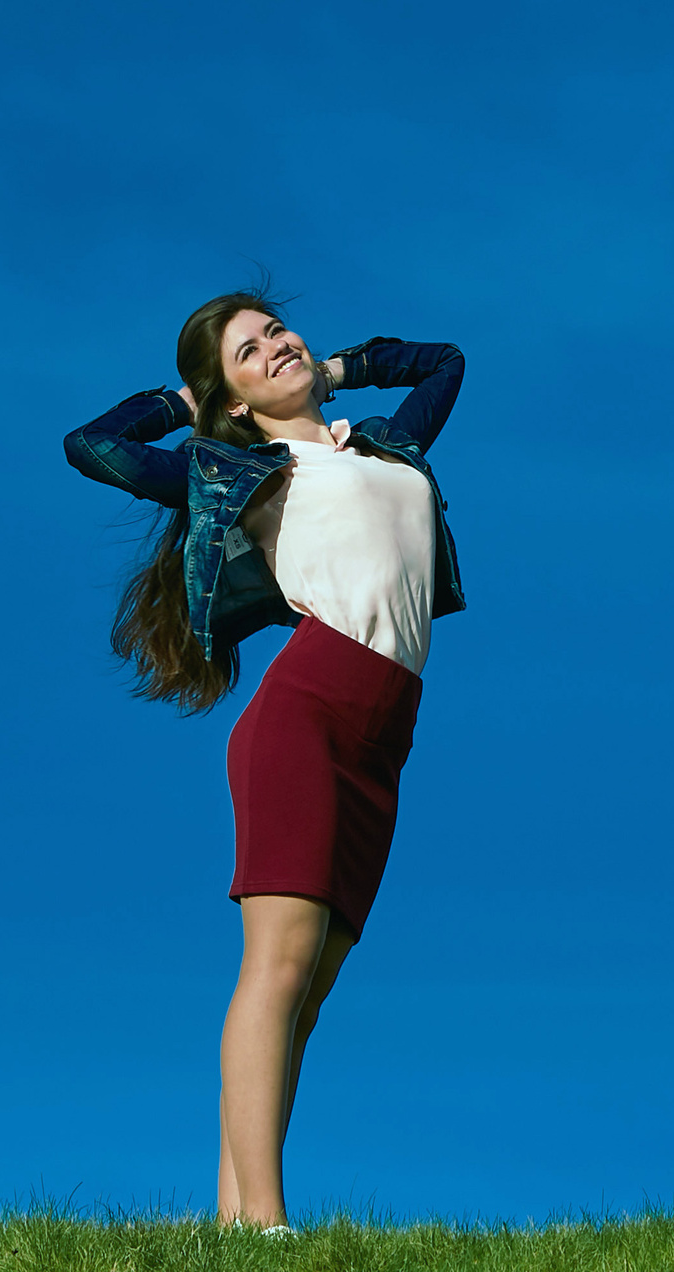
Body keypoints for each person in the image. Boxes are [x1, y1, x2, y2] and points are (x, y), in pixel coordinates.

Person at [63, 292, 465, 1232]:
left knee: (309, 994)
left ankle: (233, 1224)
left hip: (385, 731)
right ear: (233, 398)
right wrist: (185, 401)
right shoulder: (233, 472)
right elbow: (91, 446)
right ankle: (267, 1227)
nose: (277, 345)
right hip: (308, 713)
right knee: (278, 969)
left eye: (277, 330)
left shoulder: (386, 448)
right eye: (248, 351)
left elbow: (444, 362)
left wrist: (337, 370)